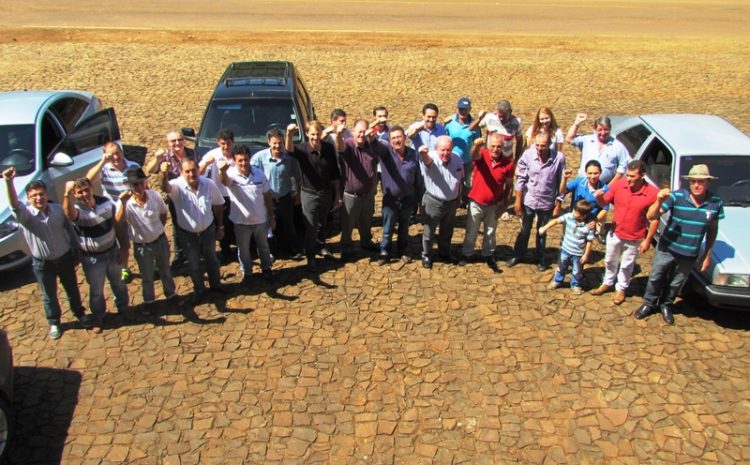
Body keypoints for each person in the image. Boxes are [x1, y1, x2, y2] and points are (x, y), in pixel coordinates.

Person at [3, 167, 91, 339]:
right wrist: (8, 182)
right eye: (34, 195)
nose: (39, 198)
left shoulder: (58, 209)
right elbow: (14, 204)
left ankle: (80, 313)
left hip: (65, 258)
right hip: (43, 263)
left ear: (46, 195)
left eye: (41, 194)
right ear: (28, 198)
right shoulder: (26, 215)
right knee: (49, 295)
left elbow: (69, 230)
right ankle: (54, 322)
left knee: (72, 289)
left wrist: (76, 249)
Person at [635, 164, 724, 324]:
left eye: (701, 182)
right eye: (693, 181)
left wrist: (707, 254)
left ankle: (666, 304)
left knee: (677, 282)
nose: (696, 185)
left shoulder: (715, 203)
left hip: (690, 253)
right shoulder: (677, 197)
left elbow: (713, 230)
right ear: (688, 182)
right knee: (656, 277)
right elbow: (651, 215)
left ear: (708, 183)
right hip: (667, 248)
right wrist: (658, 201)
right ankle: (649, 303)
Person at [63, 177, 129, 334]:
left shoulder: (105, 202)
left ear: (92, 188)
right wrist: (66, 194)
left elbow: (115, 224)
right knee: (97, 289)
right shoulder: (77, 210)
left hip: (112, 251)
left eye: (86, 190)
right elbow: (68, 213)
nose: (84, 194)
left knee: (118, 283)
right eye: (79, 192)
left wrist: (124, 247)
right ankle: (99, 315)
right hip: (93, 259)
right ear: (74, 194)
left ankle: (123, 307)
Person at [591, 160, 659, 305]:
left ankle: (621, 288)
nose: (628, 179)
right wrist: (598, 197)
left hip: (634, 237)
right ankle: (607, 282)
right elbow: (605, 202)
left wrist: (647, 240)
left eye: (632, 176)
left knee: (627, 265)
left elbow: (654, 219)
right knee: (609, 260)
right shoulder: (619, 185)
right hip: (615, 232)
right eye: (627, 175)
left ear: (642, 176)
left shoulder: (652, 193)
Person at [160, 158, 227, 303]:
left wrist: (220, 225)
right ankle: (200, 289)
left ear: (198, 170)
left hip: (208, 231)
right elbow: (165, 188)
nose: (191, 174)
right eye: (187, 171)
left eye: (193, 170)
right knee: (194, 263)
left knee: (212, 260)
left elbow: (218, 205)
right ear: (181, 172)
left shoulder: (208, 184)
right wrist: (163, 175)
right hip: (187, 234)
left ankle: (216, 285)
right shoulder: (177, 185)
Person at [285, 121, 343, 271]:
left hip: (326, 193)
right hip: (309, 194)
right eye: (312, 134)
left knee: (323, 223)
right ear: (307, 134)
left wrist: (337, 194)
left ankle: (322, 247)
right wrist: (289, 134)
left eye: (317, 134)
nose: (315, 137)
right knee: (311, 227)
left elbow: (335, 173)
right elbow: (289, 150)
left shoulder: (329, 148)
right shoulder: (303, 149)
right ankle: (310, 257)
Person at [115, 167, 177, 306]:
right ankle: (149, 301)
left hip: (160, 241)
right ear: (130, 186)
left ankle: (171, 295)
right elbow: (118, 222)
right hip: (142, 247)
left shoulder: (154, 195)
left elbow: (163, 213)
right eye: (136, 184)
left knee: (165, 271)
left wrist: (157, 230)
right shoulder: (126, 202)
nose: (140, 187)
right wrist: (124, 203)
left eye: (142, 183)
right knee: (147, 276)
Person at [507, 132, 567, 271]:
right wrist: (517, 201)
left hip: (547, 202)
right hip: (529, 201)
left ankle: (540, 258)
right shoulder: (528, 155)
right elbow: (521, 179)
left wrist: (559, 203)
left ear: (549, 144)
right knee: (524, 230)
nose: (540, 149)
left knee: (542, 231)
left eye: (543, 146)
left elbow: (561, 182)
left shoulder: (559, 158)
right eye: (537, 145)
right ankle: (518, 254)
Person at [219, 145, 276, 285]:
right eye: (240, 161)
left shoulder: (259, 174)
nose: (243, 163)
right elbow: (224, 181)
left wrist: (271, 215)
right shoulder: (231, 174)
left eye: (245, 160)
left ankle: (266, 268)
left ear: (249, 158)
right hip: (241, 222)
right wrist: (222, 171)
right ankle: (247, 272)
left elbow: (267, 195)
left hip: (260, 220)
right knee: (243, 249)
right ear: (234, 160)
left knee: (263, 246)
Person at [459, 133, 515, 271]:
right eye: (493, 146)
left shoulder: (508, 163)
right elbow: (473, 154)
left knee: (490, 232)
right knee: (471, 231)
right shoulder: (482, 155)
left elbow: (509, 185)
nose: (495, 149)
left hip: (494, 204)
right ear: (488, 146)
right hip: (476, 201)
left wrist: (505, 205)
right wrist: (477, 145)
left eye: (499, 146)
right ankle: (467, 253)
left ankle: (488, 254)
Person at [85, 142, 140, 282]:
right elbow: (88, 180)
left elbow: (143, 185)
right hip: (113, 212)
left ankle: (136, 266)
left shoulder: (133, 166)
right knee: (122, 244)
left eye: (117, 153)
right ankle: (123, 270)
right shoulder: (104, 169)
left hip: (132, 209)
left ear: (122, 152)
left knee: (135, 241)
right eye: (111, 155)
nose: (116, 157)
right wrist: (103, 161)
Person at [145, 129, 196, 271]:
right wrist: (157, 160)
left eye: (179, 139)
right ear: (168, 143)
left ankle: (196, 250)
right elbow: (150, 169)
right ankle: (180, 254)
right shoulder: (165, 156)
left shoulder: (192, 153)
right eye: (173, 141)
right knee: (177, 225)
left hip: (193, 194)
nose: (177, 143)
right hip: (175, 197)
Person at [251, 128, 304, 260]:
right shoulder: (259, 158)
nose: (277, 146)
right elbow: (250, 174)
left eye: (280, 143)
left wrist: (296, 195)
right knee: (268, 227)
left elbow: (296, 176)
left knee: (288, 225)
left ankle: (292, 249)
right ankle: (270, 252)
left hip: (285, 198)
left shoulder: (289, 158)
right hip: (266, 199)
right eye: (274, 143)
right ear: (269, 142)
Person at [334, 119, 382, 261]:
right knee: (348, 224)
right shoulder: (348, 144)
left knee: (366, 221)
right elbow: (340, 147)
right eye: (359, 131)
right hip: (351, 195)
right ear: (353, 132)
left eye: (364, 131)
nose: (361, 134)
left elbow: (374, 167)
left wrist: (373, 187)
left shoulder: (370, 146)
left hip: (367, 194)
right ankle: (346, 247)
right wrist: (338, 135)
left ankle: (366, 242)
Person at [376, 126, 422, 265]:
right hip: (391, 199)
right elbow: (374, 144)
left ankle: (402, 249)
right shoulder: (386, 154)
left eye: (399, 137)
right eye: (393, 138)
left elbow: (418, 177)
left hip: (408, 199)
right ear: (389, 141)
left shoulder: (414, 155)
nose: (397, 140)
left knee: (404, 227)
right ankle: (385, 251)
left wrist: (418, 198)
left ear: (404, 138)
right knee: (388, 227)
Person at [418, 135, 464, 269]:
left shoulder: (456, 158)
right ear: (436, 149)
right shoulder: (431, 157)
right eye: (442, 150)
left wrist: (458, 196)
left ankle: (444, 252)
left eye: (448, 150)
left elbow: (459, 179)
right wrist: (423, 153)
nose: (445, 153)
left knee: (447, 230)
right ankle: (426, 254)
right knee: (429, 231)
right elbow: (427, 161)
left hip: (451, 202)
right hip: (434, 201)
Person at [541, 200, 596, 295]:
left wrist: (586, 255)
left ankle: (575, 284)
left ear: (584, 215)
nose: (574, 213)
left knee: (577, 270)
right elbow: (556, 221)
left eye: (577, 212)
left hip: (578, 253)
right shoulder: (569, 217)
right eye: (574, 210)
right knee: (561, 266)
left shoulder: (588, 227)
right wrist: (545, 228)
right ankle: (557, 281)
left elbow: (590, 241)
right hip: (565, 250)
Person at [199, 128, 236, 262]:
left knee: (234, 222)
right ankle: (224, 251)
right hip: (220, 195)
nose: (226, 146)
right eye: (223, 143)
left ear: (233, 142)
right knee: (222, 223)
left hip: (235, 194)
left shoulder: (236, 156)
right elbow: (199, 173)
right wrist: (207, 163)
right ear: (218, 143)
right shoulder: (213, 155)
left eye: (228, 143)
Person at [566, 114, 631, 184]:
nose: (603, 133)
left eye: (606, 130)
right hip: (582, 185)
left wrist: (608, 188)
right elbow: (569, 139)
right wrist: (577, 123)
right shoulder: (587, 140)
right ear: (595, 129)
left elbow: (622, 170)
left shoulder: (618, 146)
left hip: (604, 187)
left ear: (610, 128)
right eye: (600, 130)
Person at [557, 160, 610, 246]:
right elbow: (562, 191)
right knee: (567, 240)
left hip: (588, 222)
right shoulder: (579, 182)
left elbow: (605, 209)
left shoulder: (604, 189)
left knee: (582, 243)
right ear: (585, 173)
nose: (592, 176)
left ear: (600, 173)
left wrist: (595, 221)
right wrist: (565, 178)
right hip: (574, 217)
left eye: (596, 173)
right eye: (590, 173)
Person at [444, 97, 483, 205]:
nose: (463, 112)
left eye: (466, 109)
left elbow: (477, 142)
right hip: (451, 159)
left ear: (470, 109)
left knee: (466, 181)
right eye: (461, 109)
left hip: (467, 160)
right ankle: (453, 200)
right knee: (453, 181)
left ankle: (465, 199)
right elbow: (444, 138)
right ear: (457, 109)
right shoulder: (449, 122)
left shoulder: (475, 124)